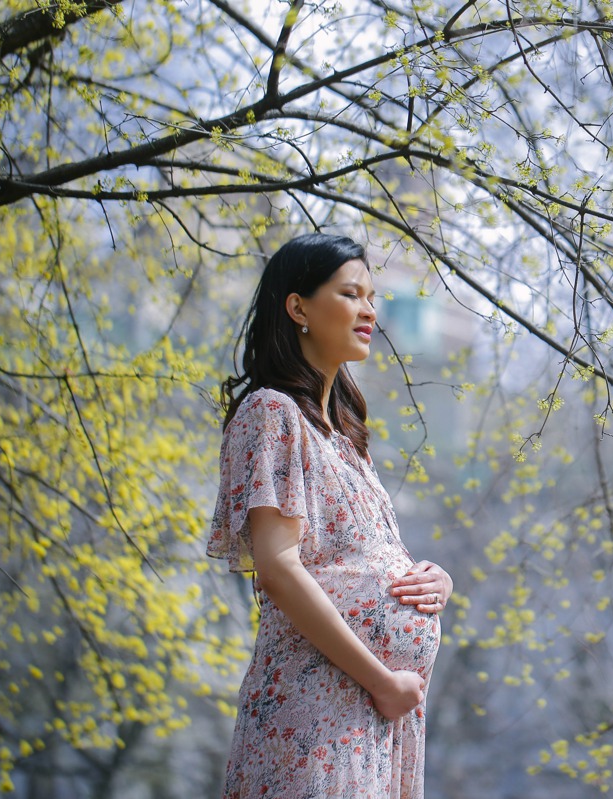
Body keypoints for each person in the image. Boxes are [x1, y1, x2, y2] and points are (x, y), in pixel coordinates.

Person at [206, 233, 452, 799]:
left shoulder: (344, 437)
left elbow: (355, 557)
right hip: (316, 719)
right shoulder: (272, 412)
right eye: (351, 293)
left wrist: (431, 581)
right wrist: (383, 681)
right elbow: (278, 567)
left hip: (371, 721)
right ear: (299, 308)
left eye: (373, 296)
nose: (370, 310)